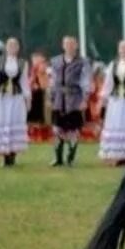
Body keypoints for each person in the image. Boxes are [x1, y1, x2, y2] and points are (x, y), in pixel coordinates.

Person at [0, 38, 30, 167]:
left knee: (14, 123)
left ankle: (12, 154)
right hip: (1, 98)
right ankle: (4, 155)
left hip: (16, 98)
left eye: (15, 45)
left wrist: (28, 98)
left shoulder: (22, 63)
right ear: (6, 47)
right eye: (10, 45)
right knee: (2, 123)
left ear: (18, 48)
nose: (12, 47)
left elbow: (24, 82)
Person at [48, 35, 92, 167]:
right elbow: (52, 81)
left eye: (72, 44)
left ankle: (70, 156)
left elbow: (85, 81)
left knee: (73, 129)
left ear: (76, 46)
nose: (69, 47)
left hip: (74, 98)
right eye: (67, 44)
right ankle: (58, 157)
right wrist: (51, 97)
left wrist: (85, 99)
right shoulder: (55, 61)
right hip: (59, 98)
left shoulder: (82, 62)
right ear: (63, 46)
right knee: (57, 128)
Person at [98, 40, 125, 166]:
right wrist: (103, 99)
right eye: (122, 48)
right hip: (115, 101)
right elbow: (108, 83)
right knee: (115, 124)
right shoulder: (113, 65)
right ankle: (114, 155)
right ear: (118, 50)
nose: (124, 50)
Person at [26, 53, 52, 143]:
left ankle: (43, 135)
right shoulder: (33, 72)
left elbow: (47, 83)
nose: (43, 65)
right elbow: (30, 83)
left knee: (45, 116)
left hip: (43, 94)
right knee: (35, 116)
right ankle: (34, 135)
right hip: (36, 95)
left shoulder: (46, 73)